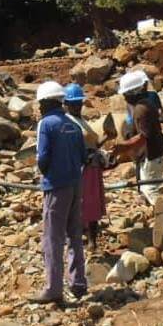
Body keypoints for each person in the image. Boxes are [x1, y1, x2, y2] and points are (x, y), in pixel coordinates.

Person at [33, 80, 87, 305]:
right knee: (74, 234)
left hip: (56, 186)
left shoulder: (46, 124)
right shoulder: (73, 124)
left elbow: (42, 158)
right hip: (76, 184)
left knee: (53, 239)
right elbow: (84, 156)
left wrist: (45, 172)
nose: (38, 108)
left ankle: (53, 288)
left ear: (45, 102)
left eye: (39, 104)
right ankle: (78, 282)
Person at [114, 70, 163, 207]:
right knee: (149, 184)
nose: (124, 97)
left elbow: (143, 136)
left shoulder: (141, 109)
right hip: (156, 150)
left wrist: (124, 147)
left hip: (155, 153)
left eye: (125, 94)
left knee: (150, 189)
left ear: (133, 93)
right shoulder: (143, 104)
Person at [63, 83, 107, 251]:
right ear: (65, 104)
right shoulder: (67, 123)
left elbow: (92, 145)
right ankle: (84, 238)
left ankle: (91, 239)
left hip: (92, 167)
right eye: (73, 103)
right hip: (80, 169)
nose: (77, 106)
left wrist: (106, 139)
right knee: (83, 202)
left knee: (91, 203)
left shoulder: (81, 121)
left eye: (78, 103)